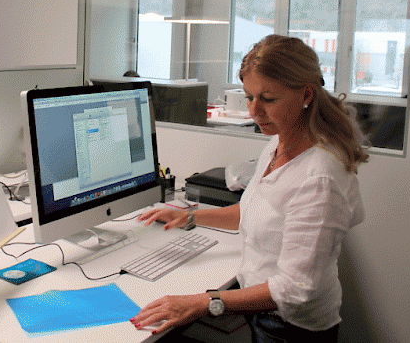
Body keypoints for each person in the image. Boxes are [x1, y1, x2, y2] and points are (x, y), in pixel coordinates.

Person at [131, 34, 369, 342]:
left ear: (307, 94)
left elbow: (295, 288)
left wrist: (205, 301)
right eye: (249, 96)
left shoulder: (318, 177)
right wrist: (190, 216)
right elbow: (254, 210)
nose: (254, 111)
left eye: (268, 99)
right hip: (264, 315)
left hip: (291, 329)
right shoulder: (279, 144)